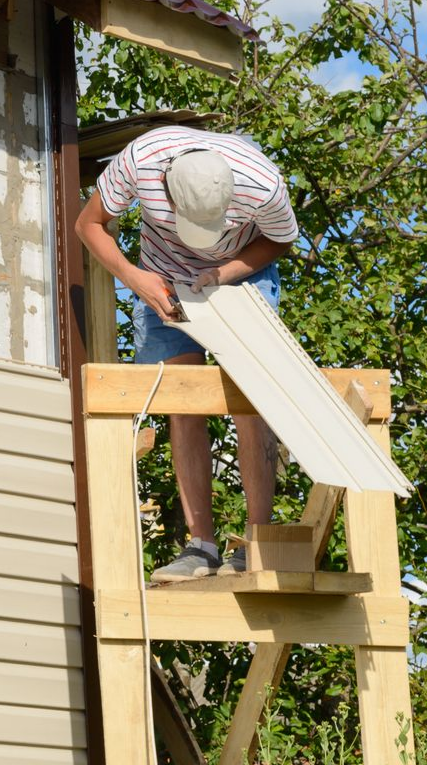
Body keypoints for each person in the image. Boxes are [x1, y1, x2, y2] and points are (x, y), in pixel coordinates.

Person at [75, 124, 299, 582]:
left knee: (251, 398)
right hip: (161, 280)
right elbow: (88, 223)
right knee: (183, 401)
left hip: (241, 274)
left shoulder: (264, 184)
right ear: (167, 192)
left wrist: (226, 271)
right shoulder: (140, 162)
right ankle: (202, 548)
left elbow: (279, 239)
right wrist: (134, 277)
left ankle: (258, 540)